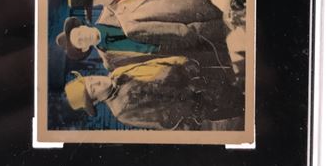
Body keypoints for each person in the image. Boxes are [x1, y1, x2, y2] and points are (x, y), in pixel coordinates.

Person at [64, 0, 233, 69]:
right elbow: (185, 34)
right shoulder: (131, 25)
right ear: (95, 3)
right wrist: (227, 23)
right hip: (223, 9)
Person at [63, 55, 243, 130]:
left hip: (198, 72)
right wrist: (196, 92)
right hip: (206, 99)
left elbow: (155, 63)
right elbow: (168, 117)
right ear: (96, 101)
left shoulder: (116, 73)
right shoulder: (122, 110)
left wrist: (182, 61)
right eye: (93, 88)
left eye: (90, 79)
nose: (97, 81)